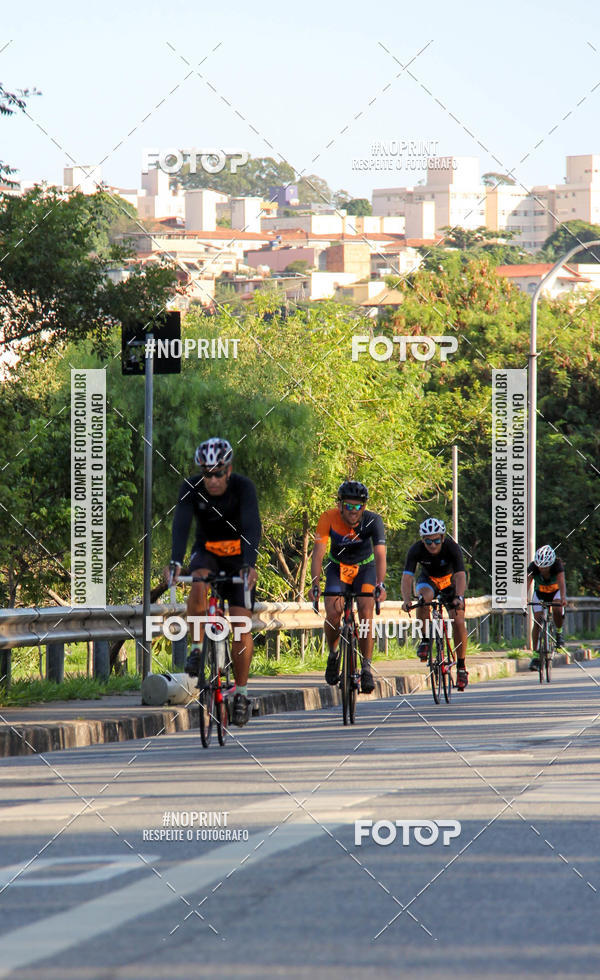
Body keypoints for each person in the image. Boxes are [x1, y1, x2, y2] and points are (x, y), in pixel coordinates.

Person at [168, 437, 261, 728]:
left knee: (241, 623)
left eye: (218, 473)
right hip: (207, 553)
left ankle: (242, 695)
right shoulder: (192, 488)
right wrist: (175, 560)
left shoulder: (243, 488)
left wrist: (249, 564)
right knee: (197, 583)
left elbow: (251, 525)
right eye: (207, 474)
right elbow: (181, 523)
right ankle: (197, 651)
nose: (212, 480)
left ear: (228, 470)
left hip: (238, 558)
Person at [310, 481, 386, 694]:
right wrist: (315, 584)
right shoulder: (328, 518)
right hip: (338, 568)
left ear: (364, 506)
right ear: (340, 505)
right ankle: (333, 654)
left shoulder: (373, 521)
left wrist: (380, 584)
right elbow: (318, 553)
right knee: (333, 613)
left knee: (365, 611)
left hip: (365, 568)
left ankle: (366, 668)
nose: (354, 511)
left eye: (358, 506)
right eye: (349, 506)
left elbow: (380, 555)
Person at [401, 518, 469, 691]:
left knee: (458, 621)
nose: (433, 545)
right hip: (429, 581)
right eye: (428, 541)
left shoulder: (452, 547)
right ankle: (425, 640)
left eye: (436, 540)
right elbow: (407, 577)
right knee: (423, 600)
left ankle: (461, 667)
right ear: (422, 540)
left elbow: (461, 575)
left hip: (450, 583)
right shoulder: (415, 549)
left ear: (443, 538)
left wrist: (459, 597)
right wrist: (407, 599)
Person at [527, 545, 567, 670]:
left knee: (557, 609)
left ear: (551, 564)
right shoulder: (533, 567)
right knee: (537, 620)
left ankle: (559, 633)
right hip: (540, 593)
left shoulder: (557, 566)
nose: (542, 569)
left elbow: (561, 582)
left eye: (545, 567)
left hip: (555, 593)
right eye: (540, 566)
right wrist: (523, 598)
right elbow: (527, 582)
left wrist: (563, 598)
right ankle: (535, 655)